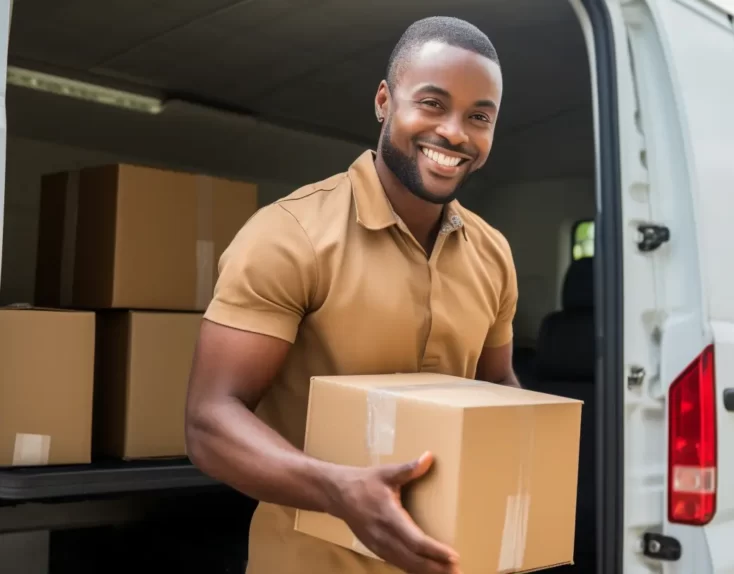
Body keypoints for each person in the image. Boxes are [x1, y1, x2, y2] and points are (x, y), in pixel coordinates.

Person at [184, 16, 517, 574]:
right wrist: (338, 490)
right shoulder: (290, 235)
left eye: (479, 117)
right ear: (385, 101)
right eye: (432, 103)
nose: (455, 133)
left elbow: (498, 385)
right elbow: (210, 421)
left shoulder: (493, 252)